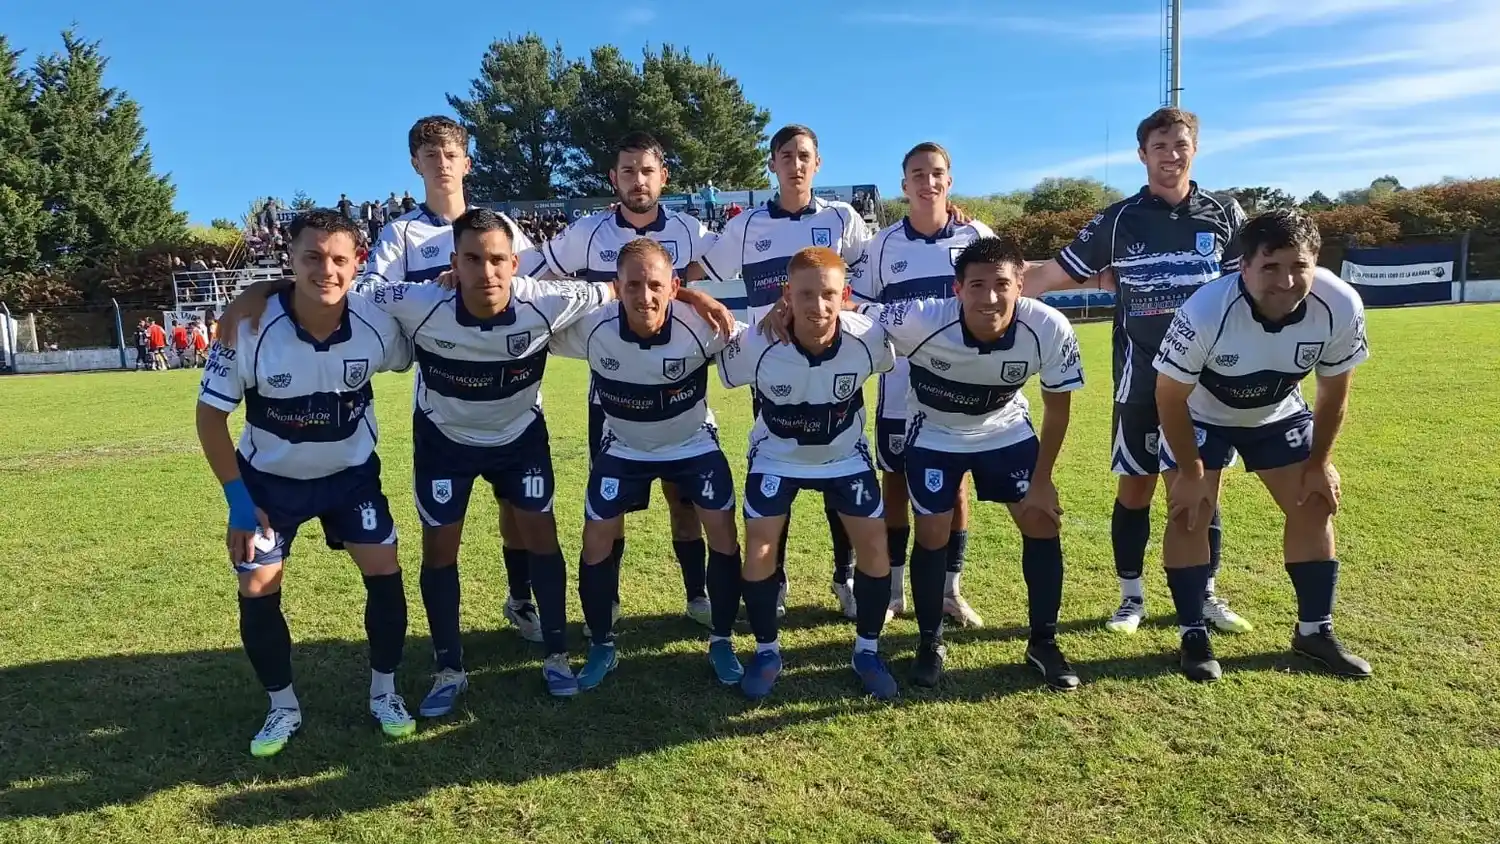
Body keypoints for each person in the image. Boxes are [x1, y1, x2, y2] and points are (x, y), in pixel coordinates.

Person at [195, 209, 415, 758]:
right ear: (289, 261)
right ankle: (282, 707)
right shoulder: (247, 326)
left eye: (339, 259)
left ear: (357, 263)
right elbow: (208, 417)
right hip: (270, 486)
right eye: (311, 257)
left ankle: (385, 693)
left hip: (351, 479)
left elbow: (428, 317)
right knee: (257, 586)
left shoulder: (376, 321)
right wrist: (238, 503)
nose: (327, 269)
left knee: (384, 571)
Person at [1024, 107, 1252, 636]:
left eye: (1180, 144)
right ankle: (1131, 597)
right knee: (1136, 490)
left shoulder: (1225, 213)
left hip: (1208, 381)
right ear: (1142, 154)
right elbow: (1051, 273)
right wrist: (984, 277)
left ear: (1194, 148)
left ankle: (1205, 593)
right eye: (1160, 146)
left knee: (1202, 491)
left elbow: (1246, 288)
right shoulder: (1118, 219)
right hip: (1141, 377)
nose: (1171, 155)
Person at [851, 238, 1084, 690]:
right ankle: (929, 640)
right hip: (935, 432)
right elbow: (854, 307)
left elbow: (1058, 409)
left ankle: (1044, 642)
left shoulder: (1050, 327)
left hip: (1005, 430)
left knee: (1041, 522)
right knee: (933, 529)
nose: (990, 297)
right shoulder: (921, 318)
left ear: (1022, 286)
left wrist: (1043, 481)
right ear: (957, 289)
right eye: (977, 285)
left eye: (1002, 284)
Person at [1153, 209, 1371, 682]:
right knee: (1192, 512)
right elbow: (1168, 396)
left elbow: (1334, 393)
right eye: (1270, 267)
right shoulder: (1207, 309)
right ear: (1243, 267)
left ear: (1316, 262)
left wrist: (1320, 463)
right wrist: (1190, 473)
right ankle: (1193, 634)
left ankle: (1314, 631)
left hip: (1275, 412)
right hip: (1201, 414)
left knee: (1314, 503)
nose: (1286, 281)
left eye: (1299, 266)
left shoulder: (1340, 304)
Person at [517, 131, 720, 634]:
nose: (637, 180)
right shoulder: (586, 232)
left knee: (684, 499)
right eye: (627, 171)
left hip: (677, 387)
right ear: (613, 178)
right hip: (612, 394)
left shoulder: (694, 231)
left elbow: (705, 284)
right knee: (612, 503)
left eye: (647, 171)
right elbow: (528, 277)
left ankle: (697, 594)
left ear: (663, 178)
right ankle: (608, 602)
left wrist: (694, 299)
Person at [360, 115, 542, 644]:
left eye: (450, 154)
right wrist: (432, 291)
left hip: (512, 393)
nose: (441, 164)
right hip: (445, 402)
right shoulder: (402, 234)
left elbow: (536, 283)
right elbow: (369, 292)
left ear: (467, 162)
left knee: (517, 509)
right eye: (430, 155)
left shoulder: (499, 225)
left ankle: (521, 599)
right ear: (415, 164)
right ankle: (446, 639)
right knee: (443, 525)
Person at [688, 123, 873, 617]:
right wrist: (700, 296)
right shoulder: (746, 226)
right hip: (772, 368)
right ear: (771, 164)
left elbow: (874, 271)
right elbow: (689, 275)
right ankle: (779, 578)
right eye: (785, 154)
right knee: (776, 471)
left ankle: (846, 576)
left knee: (841, 466)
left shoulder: (842, 218)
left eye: (804, 155)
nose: (795, 163)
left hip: (836, 362)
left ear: (818, 164)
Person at [549, 238, 742, 690]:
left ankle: (722, 638)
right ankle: (601, 643)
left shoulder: (704, 323)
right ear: (616, 287)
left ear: (673, 286)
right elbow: (525, 313)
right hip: (625, 447)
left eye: (655, 284)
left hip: (692, 443)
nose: (645, 296)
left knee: (723, 530)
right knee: (596, 536)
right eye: (632, 285)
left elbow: (766, 332)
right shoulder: (591, 328)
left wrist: (699, 296)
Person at [716, 246, 898, 700]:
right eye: (805, 295)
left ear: (844, 295)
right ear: (786, 295)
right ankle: (766, 650)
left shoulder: (870, 338)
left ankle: (868, 651)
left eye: (828, 295)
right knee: (759, 548)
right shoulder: (757, 344)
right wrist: (701, 299)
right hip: (777, 456)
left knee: (875, 547)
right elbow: (718, 355)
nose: (817, 307)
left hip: (844, 458)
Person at [851, 141, 994, 628]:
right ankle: (894, 590)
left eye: (936, 173)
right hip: (898, 387)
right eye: (917, 174)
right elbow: (860, 311)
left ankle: (951, 591)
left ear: (948, 180)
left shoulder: (977, 237)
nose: (927, 182)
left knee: (956, 488)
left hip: (962, 390)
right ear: (904, 183)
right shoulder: (883, 245)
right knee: (895, 482)